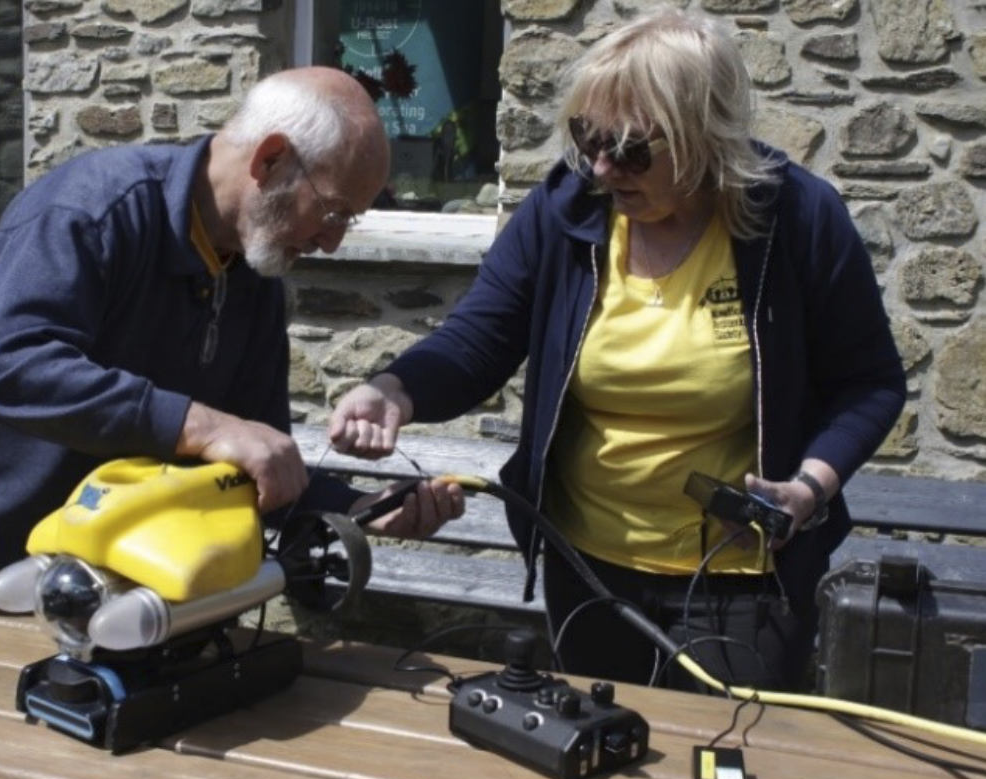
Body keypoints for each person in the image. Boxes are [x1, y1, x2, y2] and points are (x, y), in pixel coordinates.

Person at [329, 9, 905, 692]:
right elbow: (480, 338)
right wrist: (394, 389)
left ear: (703, 136)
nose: (601, 168)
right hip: (590, 573)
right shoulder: (566, 209)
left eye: (630, 149)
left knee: (721, 771)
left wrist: (809, 486)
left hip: (743, 583)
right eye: (587, 138)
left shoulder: (798, 219)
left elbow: (869, 383)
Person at [0, 67, 465, 670]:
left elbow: (245, 466)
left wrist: (358, 505)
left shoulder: (252, 277)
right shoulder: (94, 209)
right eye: (332, 212)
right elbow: (7, 367)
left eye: (350, 222)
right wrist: (202, 425)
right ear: (269, 160)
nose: (333, 242)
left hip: (74, 569)